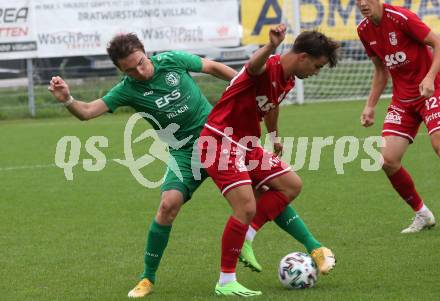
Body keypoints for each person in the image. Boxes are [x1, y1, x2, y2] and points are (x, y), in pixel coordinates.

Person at [48, 33, 238, 298]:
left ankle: (314, 247)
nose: (140, 71)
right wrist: (68, 99)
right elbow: (88, 111)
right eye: (131, 69)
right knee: (167, 205)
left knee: (262, 190)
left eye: (141, 62)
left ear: (145, 52)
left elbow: (212, 67)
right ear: (121, 70)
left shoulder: (172, 60)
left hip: (217, 139)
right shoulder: (127, 88)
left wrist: (242, 82)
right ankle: (147, 278)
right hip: (184, 154)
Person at [198, 24, 340, 296]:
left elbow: (270, 105)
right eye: (317, 66)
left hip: (246, 143)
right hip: (220, 140)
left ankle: (248, 236)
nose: (316, 72)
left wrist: (274, 136)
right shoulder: (269, 66)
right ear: (303, 57)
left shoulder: (287, 79)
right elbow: (252, 66)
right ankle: (225, 281)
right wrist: (271, 45)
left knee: (291, 185)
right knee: (246, 206)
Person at [356, 0, 440, 233]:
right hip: (403, 101)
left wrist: (431, 77)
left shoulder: (401, 17)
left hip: (433, 90)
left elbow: (438, 43)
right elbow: (381, 70)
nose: (363, 3)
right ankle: (423, 214)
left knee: (438, 145)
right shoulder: (363, 30)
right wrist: (370, 105)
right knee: (388, 159)